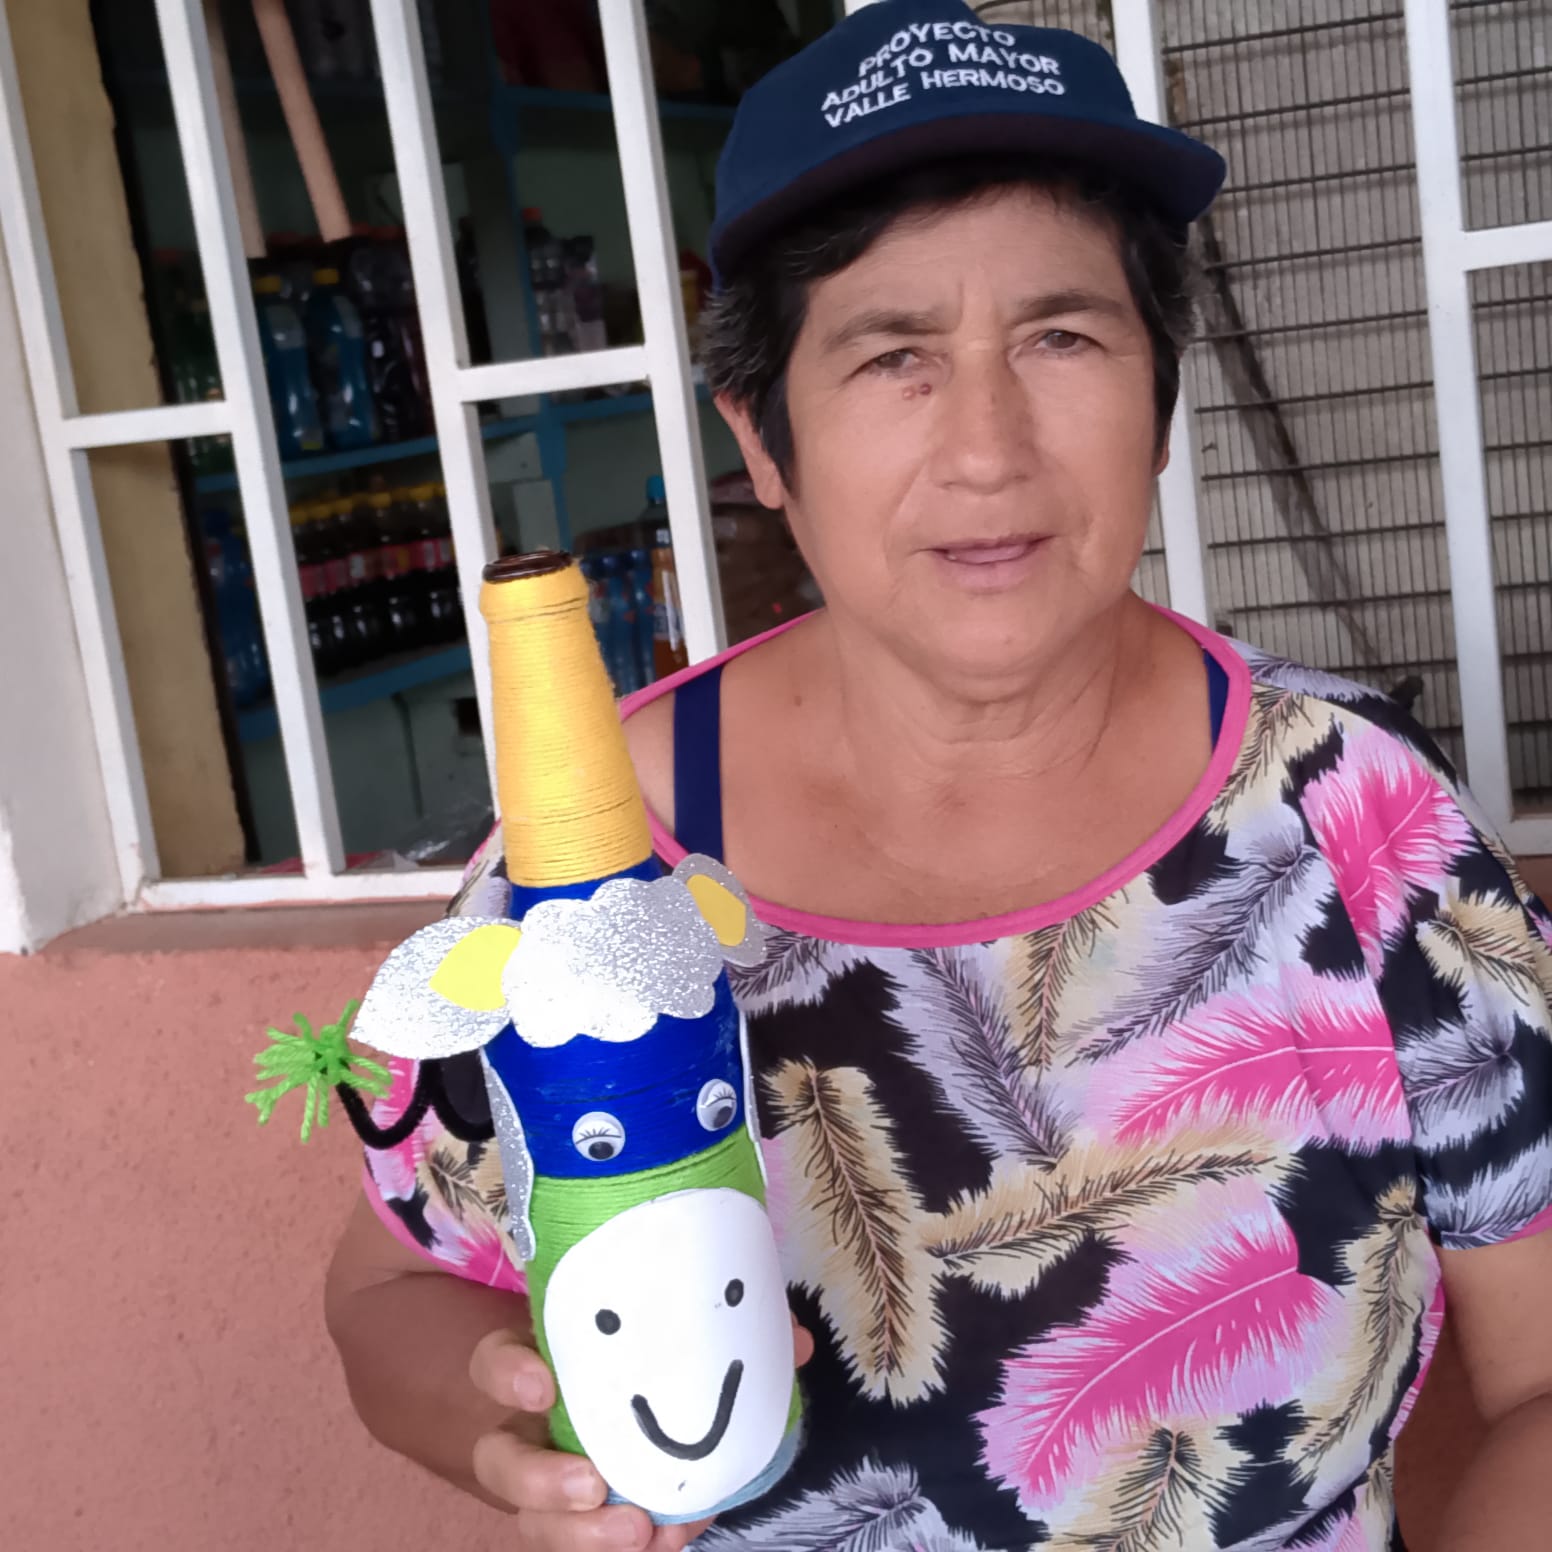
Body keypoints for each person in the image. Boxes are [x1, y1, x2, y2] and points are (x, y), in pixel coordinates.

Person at [324, 3, 1552, 1548]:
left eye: (1062, 337)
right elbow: (391, 1284)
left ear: (1159, 402)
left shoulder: (1359, 817)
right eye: (892, 355)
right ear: (762, 438)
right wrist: (505, 1429)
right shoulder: (598, 865)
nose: (987, 448)